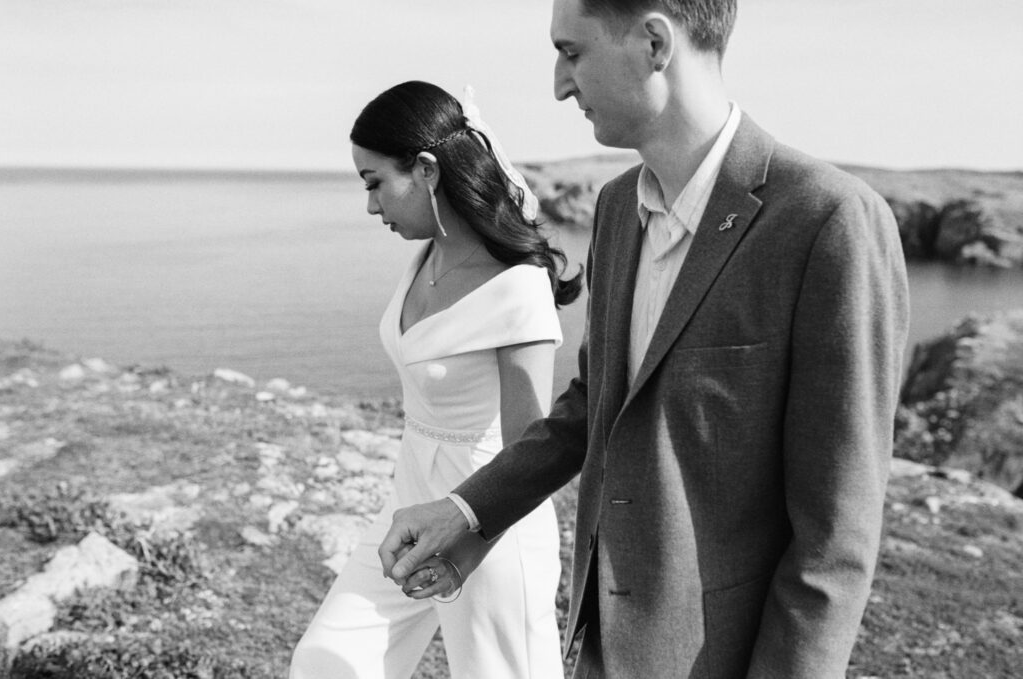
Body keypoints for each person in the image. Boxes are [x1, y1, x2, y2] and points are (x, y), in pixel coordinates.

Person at [379, 1, 910, 678]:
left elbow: (834, 541)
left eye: (572, 53)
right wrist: (466, 511)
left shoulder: (828, 220)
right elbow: (593, 404)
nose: (558, 85)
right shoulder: (615, 208)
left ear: (655, 43)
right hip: (600, 649)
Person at [290, 80, 582, 679]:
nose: (371, 206)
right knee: (326, 661)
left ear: (426, 169)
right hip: (407, 504)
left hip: (489, 522)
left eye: (374, 183)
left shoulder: (517, 286)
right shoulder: (425, 256)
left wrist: (471, 536)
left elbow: (530, 447)